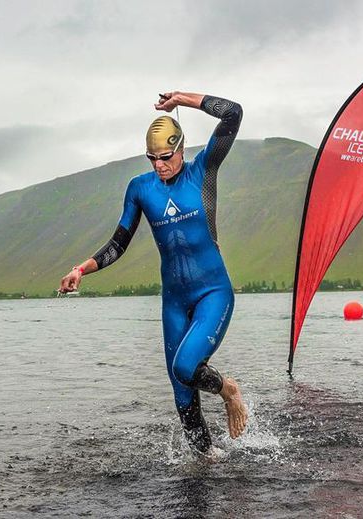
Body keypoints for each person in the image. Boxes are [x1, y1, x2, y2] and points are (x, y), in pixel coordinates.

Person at [59, 91, 247, 454]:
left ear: (181, 149)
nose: (159, 165)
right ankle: (207, 461)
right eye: (152, 159)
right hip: (174, 300)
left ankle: (229, 391)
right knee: (181, 392)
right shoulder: (140, 189)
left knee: (187, 366)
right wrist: (81, 269)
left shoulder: (202, 170)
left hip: (213, 292)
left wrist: (184, 99)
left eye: (165, 157)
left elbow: (234, 114)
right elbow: (119, 242)